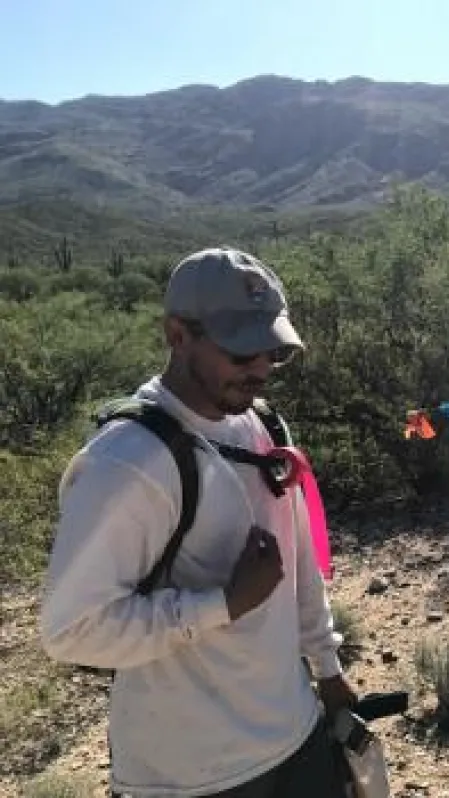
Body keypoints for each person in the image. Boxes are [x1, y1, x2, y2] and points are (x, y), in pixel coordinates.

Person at [40, 247, 356, 797]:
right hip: (189, 775)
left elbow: (300, 558)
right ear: (177, 335)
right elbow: (71, 631)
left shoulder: (261, 426)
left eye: (272, 353)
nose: (260, 369)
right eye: (241, 353)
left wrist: (327, 668)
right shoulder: (127, 462)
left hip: (296, 736)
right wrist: (222, 605)